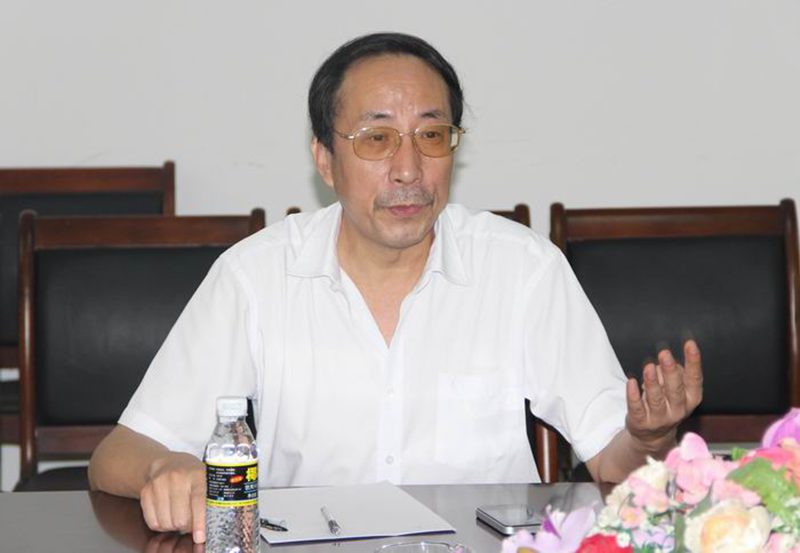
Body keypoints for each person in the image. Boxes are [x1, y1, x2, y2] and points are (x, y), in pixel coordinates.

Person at [88, 32, 703, 544]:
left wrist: (650, 437)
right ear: (325, 160)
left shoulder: (523, 270)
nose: (409, 169)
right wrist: (167, 466)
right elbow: (116, 455)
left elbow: (617, 467)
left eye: (431, 136)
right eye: (376, 139)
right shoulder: (257, 276)